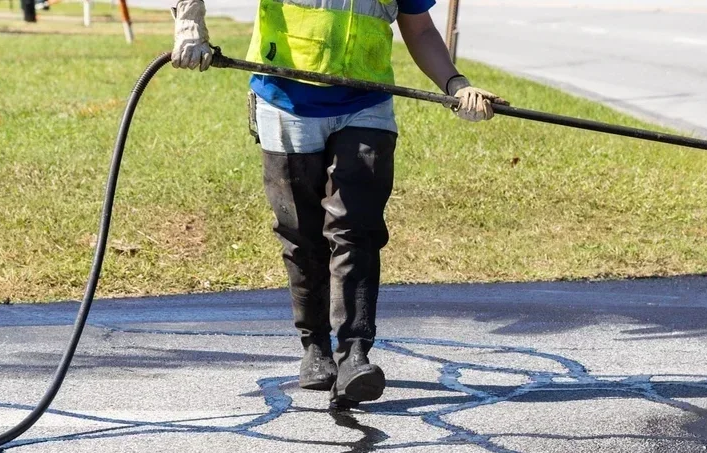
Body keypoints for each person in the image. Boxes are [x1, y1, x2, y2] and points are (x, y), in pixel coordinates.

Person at [170, 0, 504, 407]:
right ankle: (315, 349)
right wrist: (189, 24)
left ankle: (354, 356)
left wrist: (456, 85)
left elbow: (419, 28)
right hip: (285, 100)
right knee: (302, 234)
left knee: (356, 229)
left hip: (366, 103)